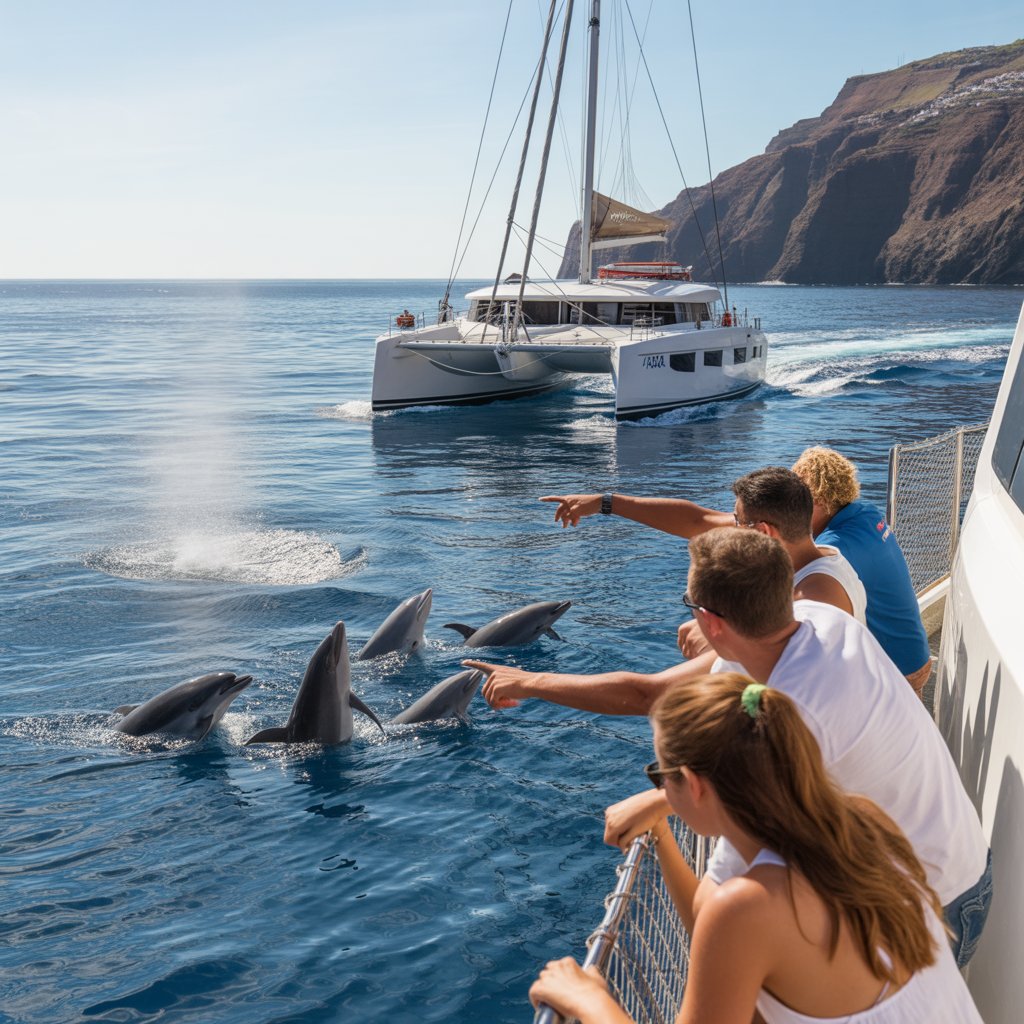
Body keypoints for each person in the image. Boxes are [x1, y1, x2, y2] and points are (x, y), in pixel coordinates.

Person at [475, 529, 992, 965]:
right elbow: (655, 693)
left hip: (922, 916)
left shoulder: (783, 723)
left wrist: (659, 805)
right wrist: (533, 680)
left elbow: (714, 924)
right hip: (962, 869)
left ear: (713, 621)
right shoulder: (821, 621)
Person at [529, 673, 983, 1023]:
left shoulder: (746, 907)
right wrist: (662, 833)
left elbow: (730, 929)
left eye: (660, 776)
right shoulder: (863, 822)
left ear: (692, 785)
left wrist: (589, 999)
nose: (660, 791)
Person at [542, 447, 929, 693]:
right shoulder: (856, 517)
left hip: (898, 673)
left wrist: (715, 635)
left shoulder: (833, 561)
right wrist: (608, 502)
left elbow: (785, 645)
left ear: (818, 502)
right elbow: (702, 521)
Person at [791, 447, 931, 694]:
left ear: (819, 501)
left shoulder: (834, 547)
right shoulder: (868, 514)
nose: (794, 511)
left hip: (897, 671)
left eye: (799, 502)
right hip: (917, 655)